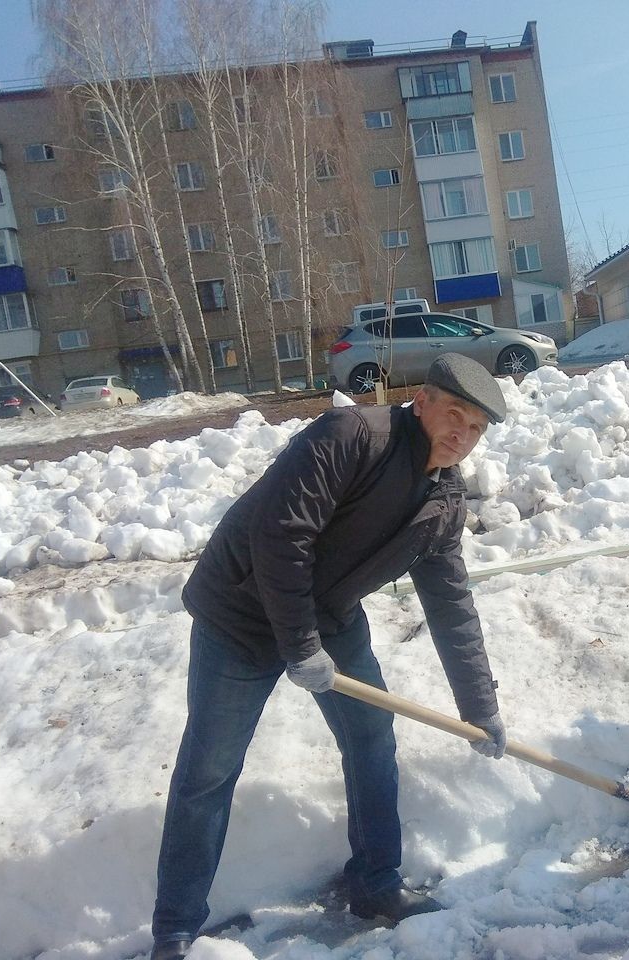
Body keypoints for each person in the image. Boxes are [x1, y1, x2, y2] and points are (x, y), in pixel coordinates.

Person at [149, 353, 510, 960]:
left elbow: (451, 605)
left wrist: (482, 708)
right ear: (421, 400)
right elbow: (281, 537)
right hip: (239, 614)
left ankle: (375, 884)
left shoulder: (444, 501)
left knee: (371, 738)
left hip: (329, 617)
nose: (462, 436)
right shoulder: (349, 437)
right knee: (209, 769)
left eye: (475, 428)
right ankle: (176, 927)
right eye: (454, 415)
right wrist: (299, 646)